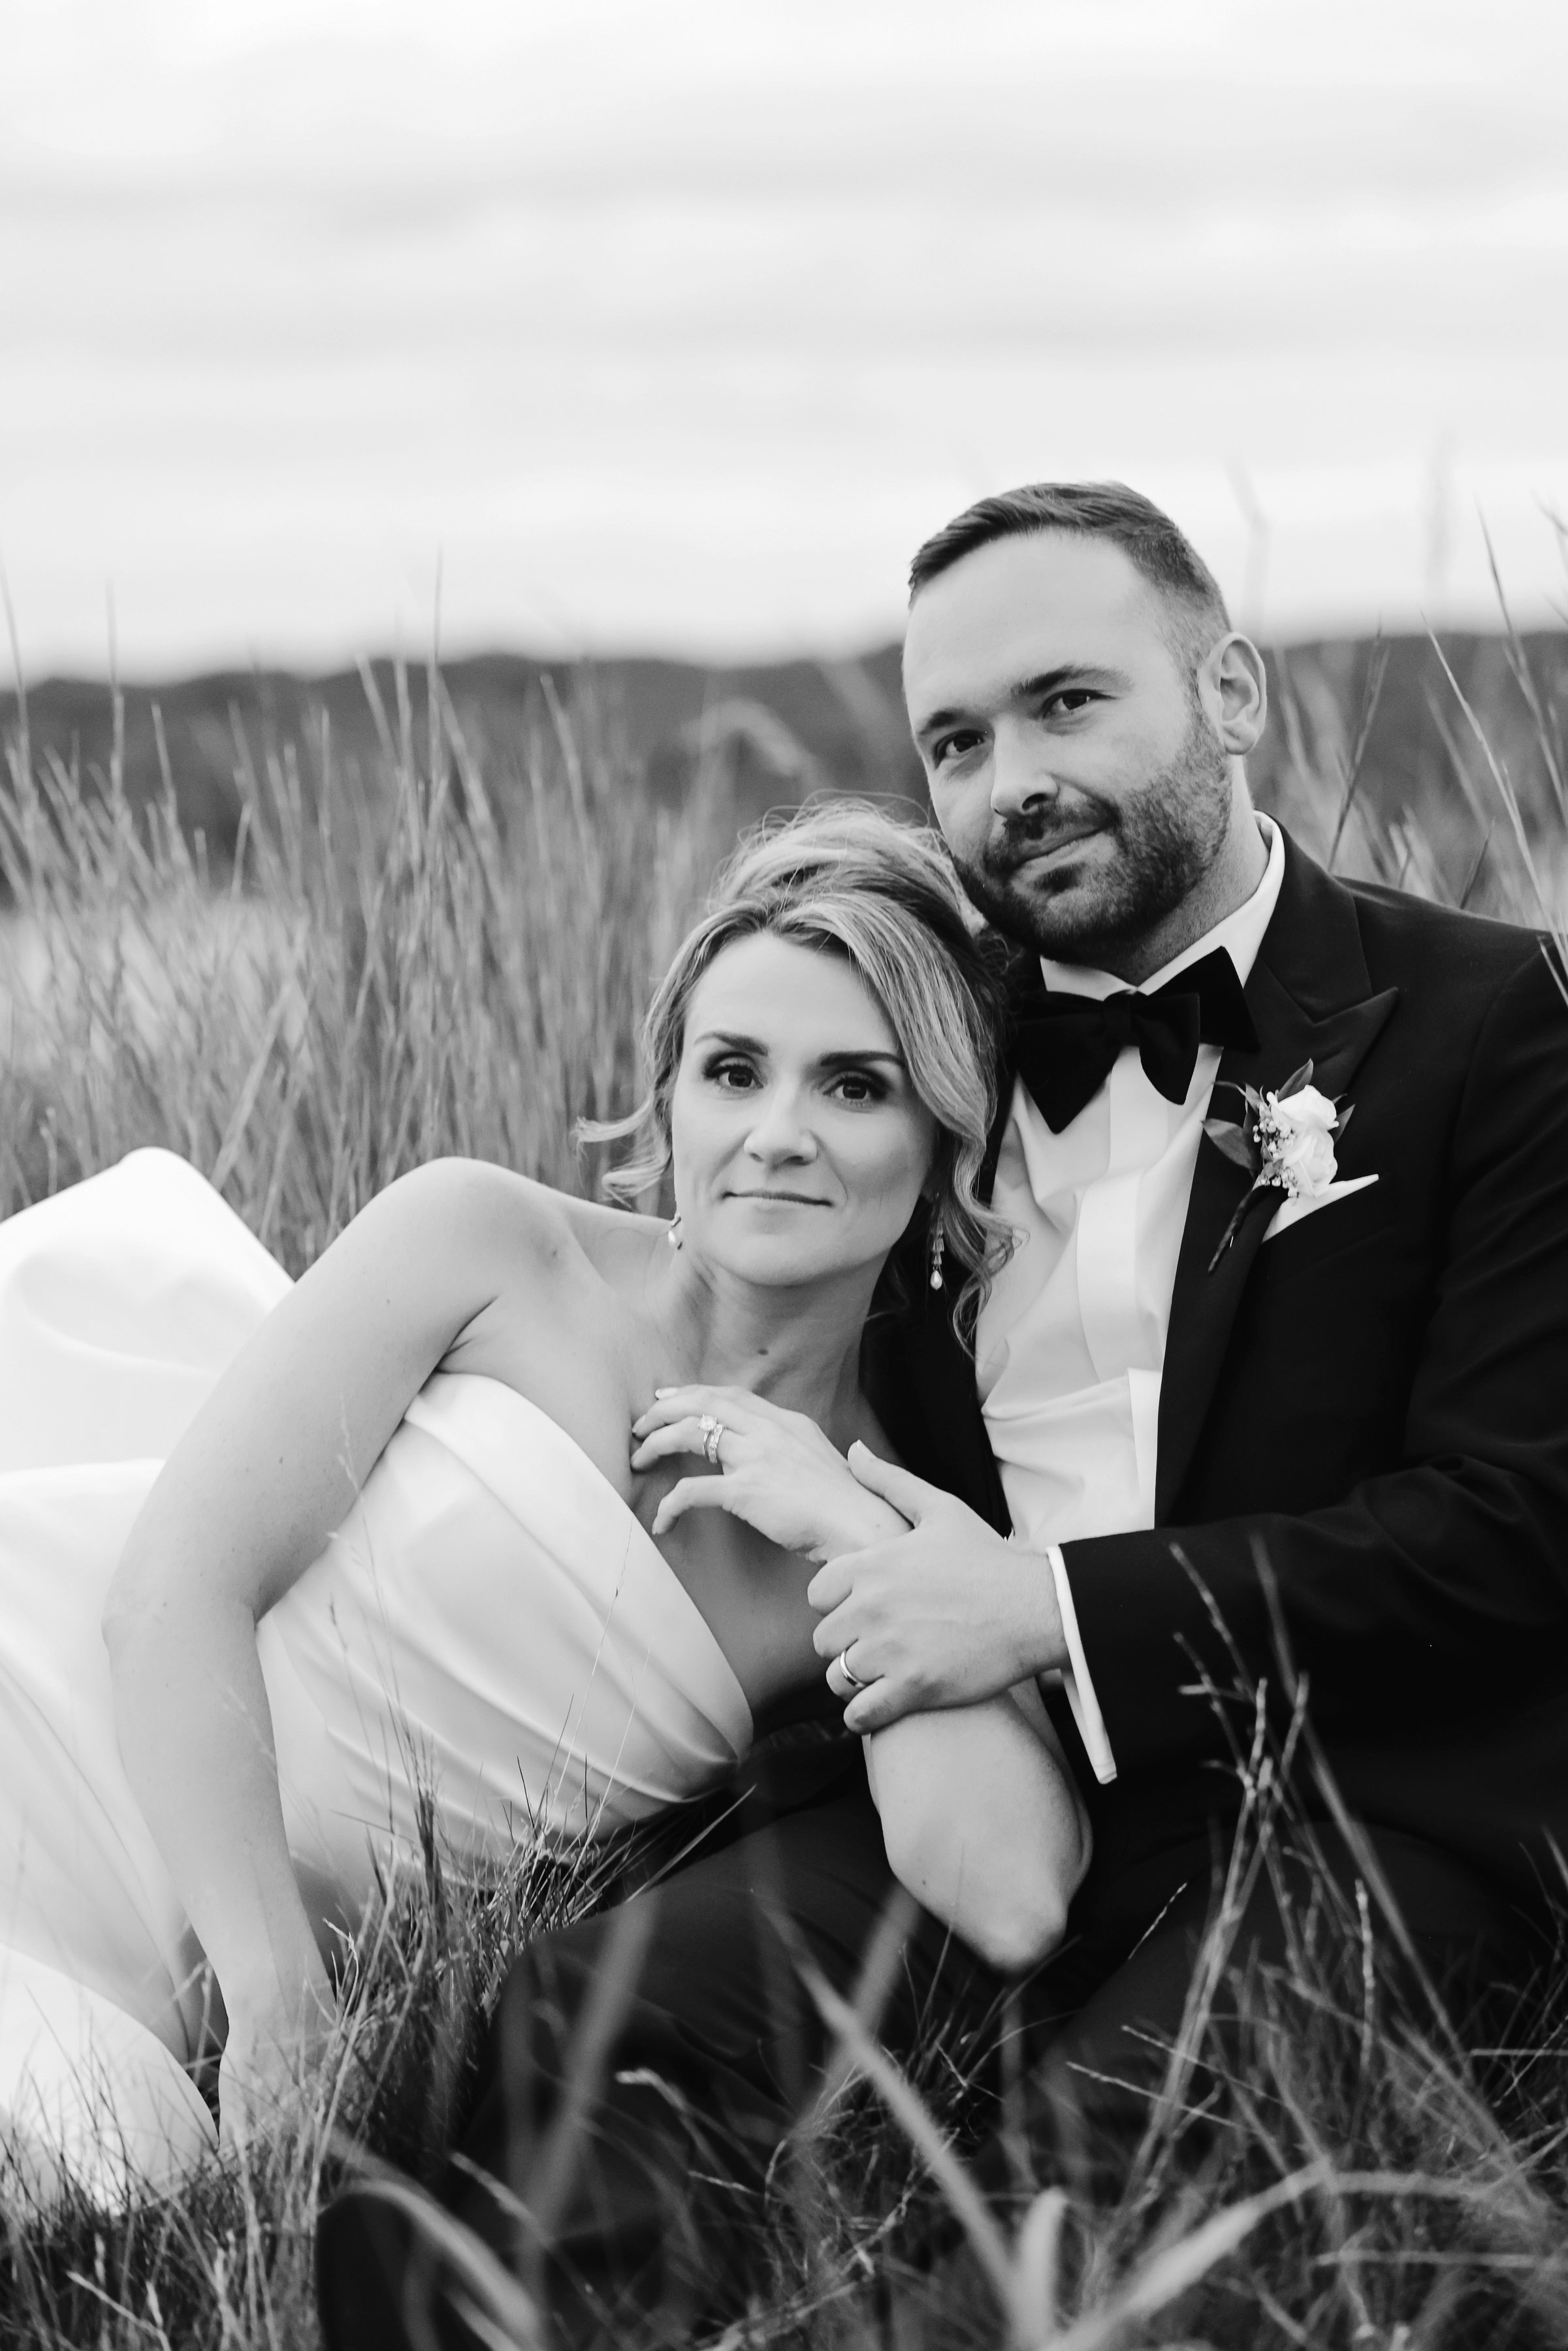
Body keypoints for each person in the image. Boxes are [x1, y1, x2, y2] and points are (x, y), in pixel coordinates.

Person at [317, 480, 1568, 2347]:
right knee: (597, 2024)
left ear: (1228, 690)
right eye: (957, 743)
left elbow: (1513, 1521)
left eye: (1071, 704)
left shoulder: (1488, 1019)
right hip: (971, 1768)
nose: (1014, 783)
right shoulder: (912, 1050)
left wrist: (1047, 1614)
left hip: (1360, 1809)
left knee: (1063, 2223)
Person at [0, 807, 1091, 2204]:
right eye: (733, 1071)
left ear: (946, 1137)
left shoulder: (883, 1509)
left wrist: (851, 1532)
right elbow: (173, 1594)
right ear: (670, 1096)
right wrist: (278, 1995)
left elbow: (1009, 1897)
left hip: (192, 1949)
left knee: (93, 2157)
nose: (777, 1134)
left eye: (854, 1088)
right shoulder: (493, 1248)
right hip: (87, 1735)